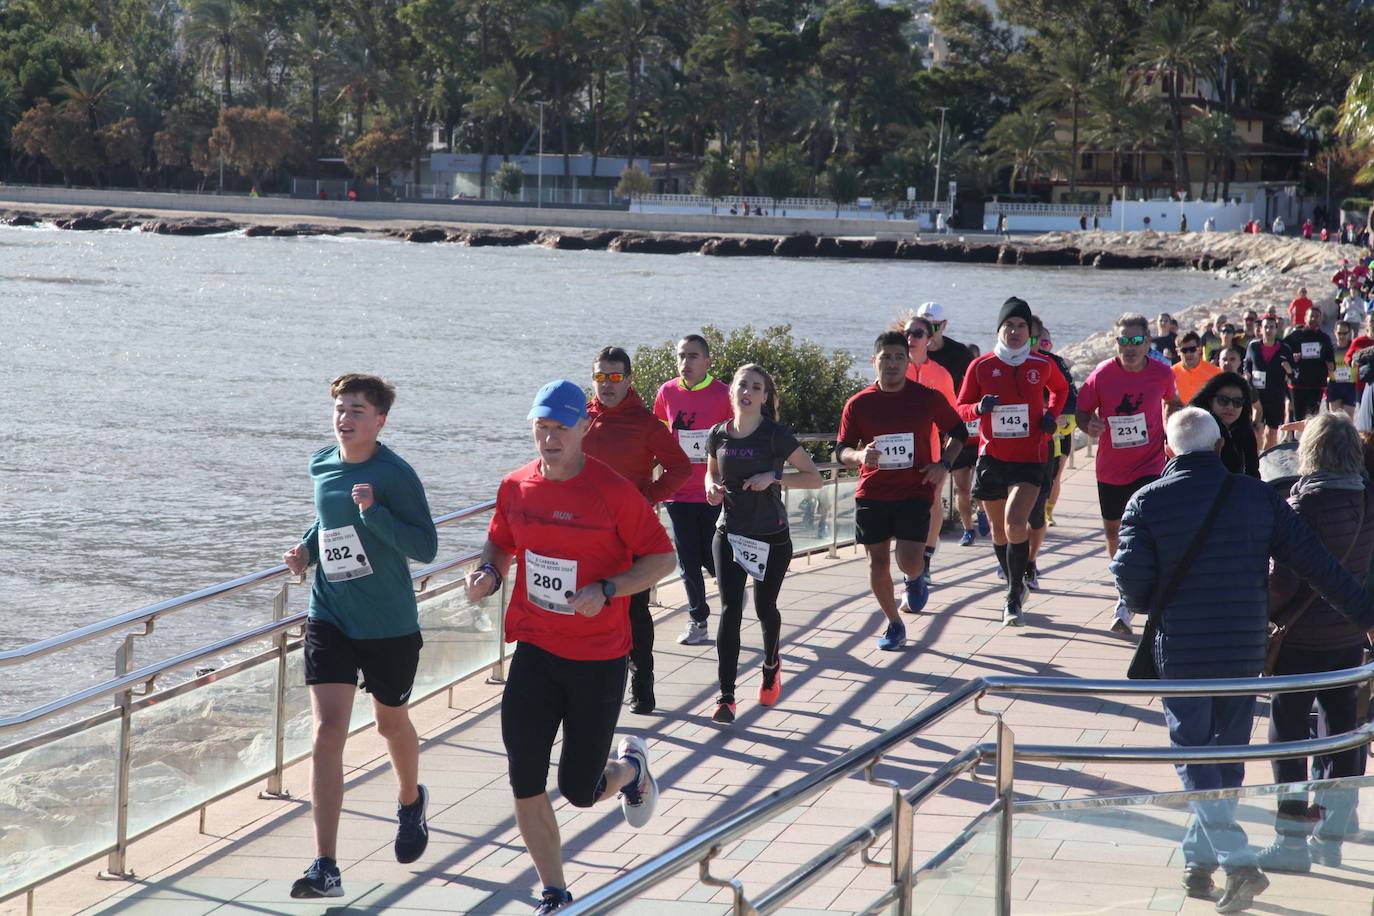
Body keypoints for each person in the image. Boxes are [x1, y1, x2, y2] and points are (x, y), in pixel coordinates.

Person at [1113, 408, 1374, 912]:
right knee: (1227, 755)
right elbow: (1317, 565)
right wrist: (1365, 614)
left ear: (1168, 451)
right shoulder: (1257, 496)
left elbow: (1131, 580)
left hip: (1183, 646)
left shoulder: (1146, 500)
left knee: (1193, 753)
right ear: (1219, 447)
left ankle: (1235, 859)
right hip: (1242, 645)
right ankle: (1198, 861)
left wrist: (1154, 599)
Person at [464, 379, 676, 914]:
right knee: (524, 778)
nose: (550, 437)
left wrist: (608, 588)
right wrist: (489, 572)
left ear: (584, 427)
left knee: (580, 790)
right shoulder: (516, 486)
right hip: (535, 651)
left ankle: (631, 769)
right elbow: (500, 541)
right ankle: (555, 893)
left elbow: (662, 558)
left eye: (561, 427)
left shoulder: (614, 492)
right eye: (542, 426)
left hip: (598, 659)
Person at [284, 374, 439, 899]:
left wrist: (375, 514)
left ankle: (411, 800)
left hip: (388, 624)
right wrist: (305, 550)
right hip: (330, 614)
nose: (344, 418)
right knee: (328, 732)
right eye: (339, 408)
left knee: (390, 723)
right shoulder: (321, 463)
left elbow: (426, 546)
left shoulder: (394, 474)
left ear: (380, 421)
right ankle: (325, 866)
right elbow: (326, 521)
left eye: (356, 410)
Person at [1259, 412, 1374, 873]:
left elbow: (1284, 582)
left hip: (1300, 639)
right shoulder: (1367, 499)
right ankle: (1332, 833)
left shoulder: (1302, 504)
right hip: (1348, 635)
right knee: (1342, 733)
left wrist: (1264, 612)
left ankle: (1291, 839)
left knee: (1287, 735)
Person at [705, 364, 822, 722]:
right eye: (743, 385)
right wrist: (711, 488)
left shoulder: (775, 435)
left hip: (770, 535)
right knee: (730, 610)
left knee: (764, 608)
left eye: (756, 387)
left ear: (764, 396)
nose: (748, 392)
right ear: (732, 390)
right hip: (730, 532)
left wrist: (773, 476)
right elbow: (711, 471)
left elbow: (814, 478)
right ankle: (726, 697)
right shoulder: (718, 434)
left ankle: (771, 664)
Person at [841, 331, 966, 650]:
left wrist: (943, 465)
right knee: (877, 563)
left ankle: (914, 577)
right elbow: (841, 449)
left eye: (899, 357)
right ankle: (894, 623)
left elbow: (959, 432)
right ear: (874, 361)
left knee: (908, 560)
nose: (893, 363)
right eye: (886, 357)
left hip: (914, 490)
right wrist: (859, 456)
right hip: (872, 492)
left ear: (908, 362)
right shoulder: (859, 404)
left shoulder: (927, 398)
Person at [582, 347, 691, 715]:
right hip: (585, 534)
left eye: (615, 377)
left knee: (634, 611)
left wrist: (647, 497)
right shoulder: (580, 419)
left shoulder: (645, 423)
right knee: (585, 606)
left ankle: (641, 683)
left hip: (632, 534)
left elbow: (680, 468)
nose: (607, 384)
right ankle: (590, 685)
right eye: (600, 377)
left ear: (628, 380)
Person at [957, 297, 1068, 625]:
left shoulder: (1041, 364)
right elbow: (960, 407)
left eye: (1021, 326)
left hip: (1030, 458)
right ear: (999, 329)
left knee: (1015, 522)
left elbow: (1060, 391)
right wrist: (978, 408)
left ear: (1029, 333)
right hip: (992, 457)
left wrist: (1051, 416)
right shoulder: (981, 366)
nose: (1015, 331)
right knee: (998, 531)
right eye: (1009, 325)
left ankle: (1012, 597)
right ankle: (1015, 583)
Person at [1076, 313, 1183, 633]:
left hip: (1150, 463)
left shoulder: (1162, 373)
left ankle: (1140, 594)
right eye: (1124, 340)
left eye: (1137, 340)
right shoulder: (1102, 375)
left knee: (1145, 527)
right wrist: (1089, 425)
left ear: (1148, 342)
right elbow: (1081, 411)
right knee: (1114, 532)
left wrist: (1172, 428)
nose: (1130, 346)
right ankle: (1124, 588)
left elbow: (1173, 402)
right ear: (1116, 342)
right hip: (1111, 467)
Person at [653, 335, 733, 647]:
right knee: (687, 560)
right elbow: (660, 437)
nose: (685, 362)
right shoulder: (667, 392)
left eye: (692, 356)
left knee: (711, 557)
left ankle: (730, 592)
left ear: (707, 361)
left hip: (714, 491)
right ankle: (698, 620)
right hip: (679, 492)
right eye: (681, 356)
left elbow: (735, 439)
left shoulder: (724, 394)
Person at [900, 313, 959, 587]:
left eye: (918, 334)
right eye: (907, 333)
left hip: (931, 449)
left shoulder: (941, 375)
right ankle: (906, 558)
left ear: (929, 339)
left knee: (932, 502)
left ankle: (925, 559)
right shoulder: (893, 368)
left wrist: (946, 455)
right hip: (897, 452)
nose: (911, 338)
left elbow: (953, 417)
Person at [918, 302, 982, 544]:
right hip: (920, 431)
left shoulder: (960, 354)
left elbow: (977, 385)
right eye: (920, 328)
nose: (925, 333)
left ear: (943, 325)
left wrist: (975, 410)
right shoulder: (908, 352)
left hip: (955, 429)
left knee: (940, 492)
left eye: (932, 327)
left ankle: (926, 552)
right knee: (929, 493)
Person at [1026, 315, 1077, 583]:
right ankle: (1013, 559)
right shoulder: (1003, 364)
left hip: (1052, 439)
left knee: (1047, 490)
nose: (1037, 345)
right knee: (1011, 514)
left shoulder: (1054, 364)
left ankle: (1030, 560)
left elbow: (1071, 399)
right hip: (1012, 448)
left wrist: (1053, 415)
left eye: (1043, 342)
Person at [1190, 372, 1260, 478]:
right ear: (1210, 401)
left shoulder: (1245, 430)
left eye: (1237, 402)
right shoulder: (1195, 430)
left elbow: (1253, 472)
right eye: (1223, 400)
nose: (1230, 407)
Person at [1244, 314, 1295, 450]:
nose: (1268, 330)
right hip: (1257, 397)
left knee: (1271, 433)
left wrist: (1289, 370)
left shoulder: (1284, 348)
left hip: (1276, 396)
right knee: (1256, 430)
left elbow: (1295, 374)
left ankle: (1265, 458)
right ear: (1260, 329)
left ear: (1276, 329)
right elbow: (1246, 364)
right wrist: (1246, 375)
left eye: (1272, 327)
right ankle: (1256, 458)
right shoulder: (1253, 346)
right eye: (1266, 327)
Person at [1283, 305, 1335, 422]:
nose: (1314, 319)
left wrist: (1331, 365)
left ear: (1321, 319)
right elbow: (1282, 350)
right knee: (1298, 419)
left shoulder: (1324, 338)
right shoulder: (1296, 335)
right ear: (1305, 318)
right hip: (1298, 384)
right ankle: (1295, 433)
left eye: (1317, 316)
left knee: (1313, 419)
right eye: (1311, 316)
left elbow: (1330, 358)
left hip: (1316, 384)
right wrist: (1292, 358)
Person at [1172, 331, 1222, 404]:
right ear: (1178, 352)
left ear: (1199, 349)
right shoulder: (1171, 373)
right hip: (1180, 410)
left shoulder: (1216, 373)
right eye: (1184, 350)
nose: (1189, 354)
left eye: (1192, 349)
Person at [1328, 320, 1358, 417]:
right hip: (1334, 385)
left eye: (1345, 333)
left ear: (1349, 333)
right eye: (1339, 333)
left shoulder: (1354, 348)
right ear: (1334, 332)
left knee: (1348, 419)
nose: (1342, 336)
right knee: (1335, 419)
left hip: (1350, 386)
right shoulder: (1330, 349)